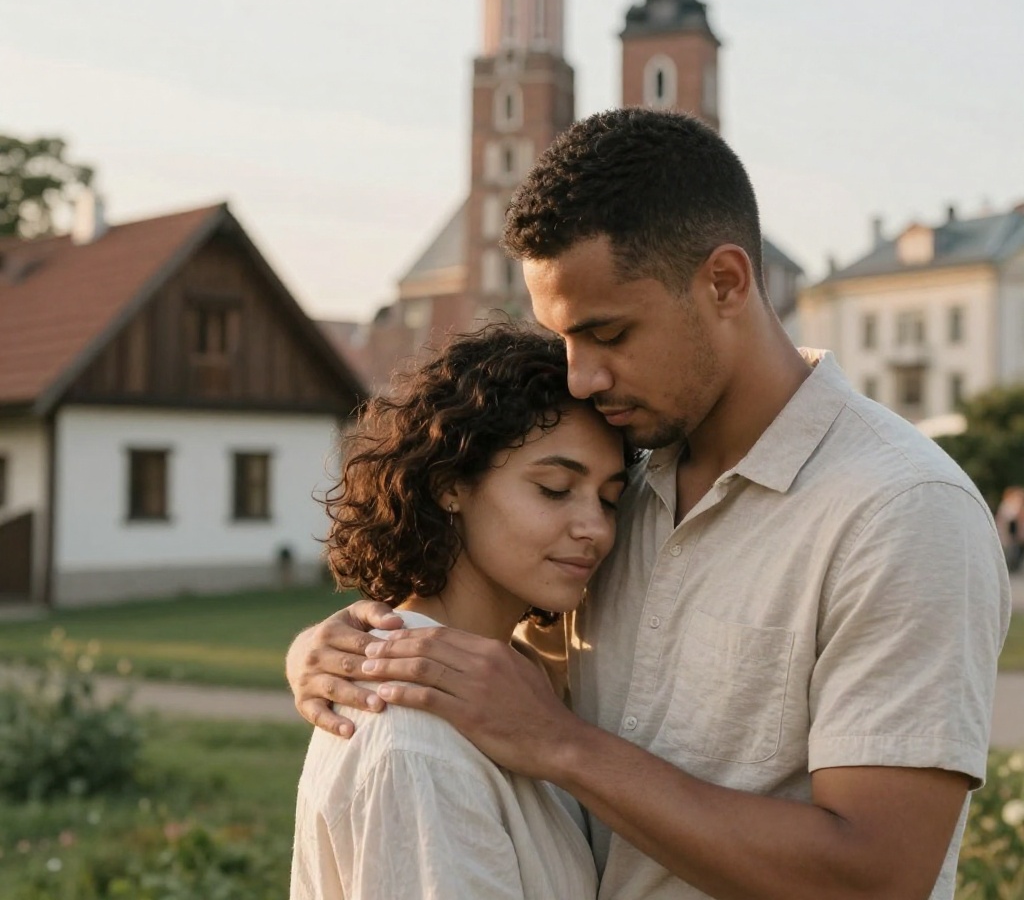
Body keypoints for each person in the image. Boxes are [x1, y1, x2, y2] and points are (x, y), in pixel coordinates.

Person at [287, 109, 1011, 900]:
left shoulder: (901, 512)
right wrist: (347, 650)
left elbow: (877, 877)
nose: (580, 377)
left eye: (608, 333)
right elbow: (490, 659)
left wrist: (562, 746)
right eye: (563, 339)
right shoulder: (621, 488)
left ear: (726, 282)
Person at [289, 322, 629, 900]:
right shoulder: (414, 735)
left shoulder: (514, 687)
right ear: (451, 485)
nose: (594, 528)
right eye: (553, 488)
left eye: (609, 499)